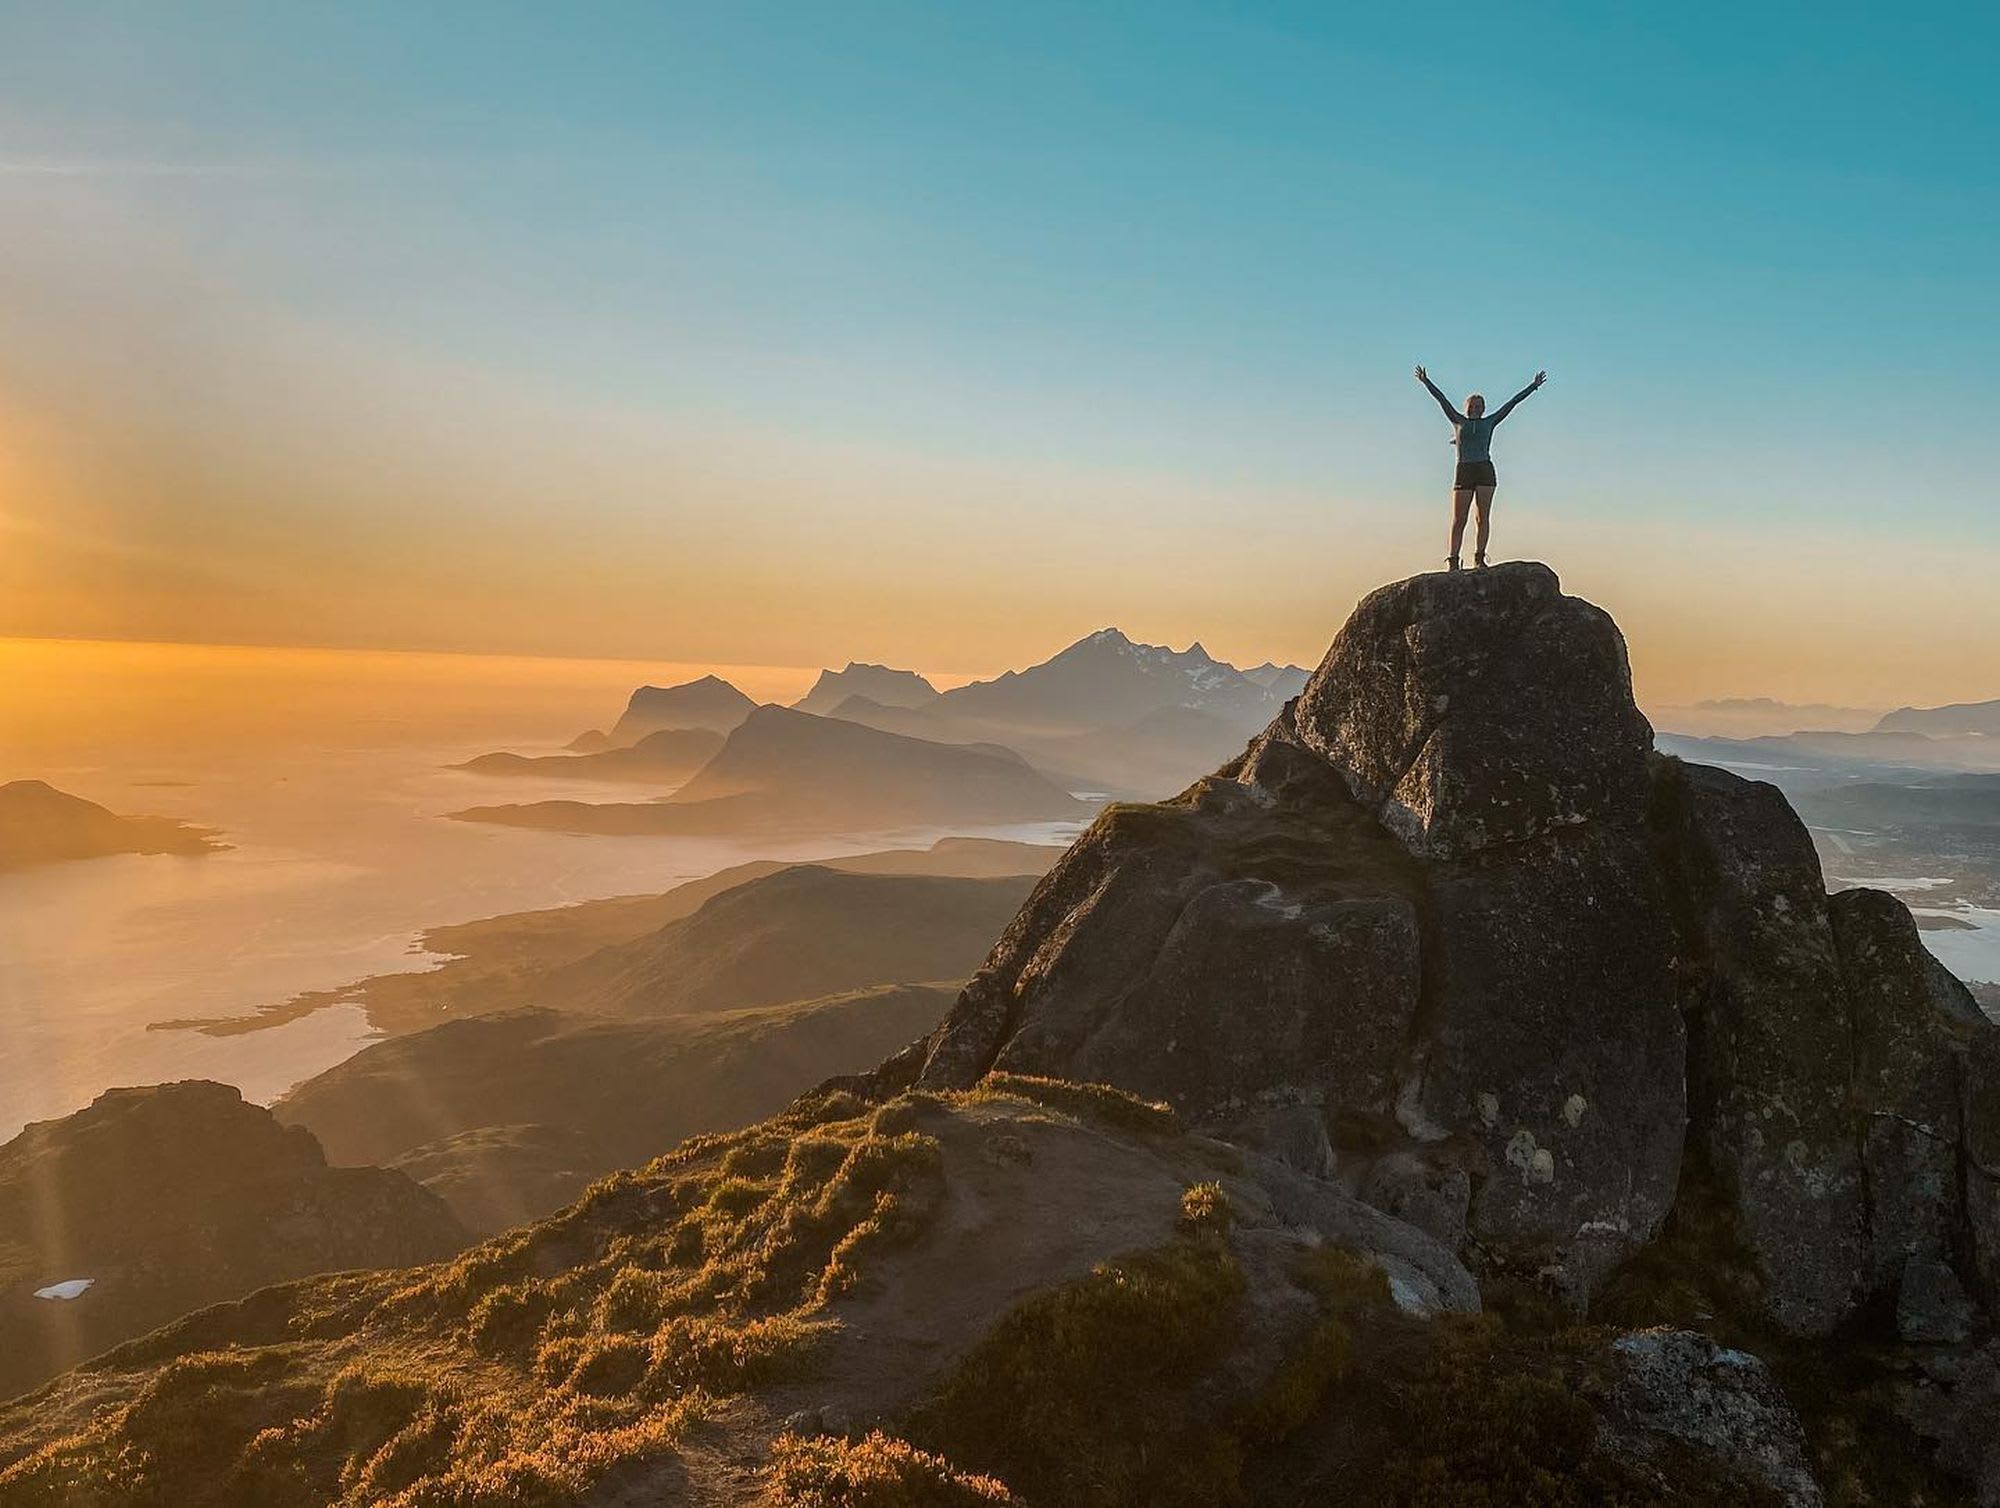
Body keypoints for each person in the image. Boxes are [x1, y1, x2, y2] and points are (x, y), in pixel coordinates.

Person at [1414, 365, 1546, 570]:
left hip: (1484, 470)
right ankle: (1453, 560)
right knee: (1459, 519)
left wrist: (1533, 386)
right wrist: (1426, 381)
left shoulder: (1490, 422)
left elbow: (1512, 403)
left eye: (1478, 406)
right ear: (1466, 407)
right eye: (1472, 405)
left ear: (1483, 409)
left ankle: (1479, 557)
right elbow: (1441, 399)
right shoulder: (1457, 421)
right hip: (1464, 470)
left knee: (1482, 517)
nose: (1475, 408)